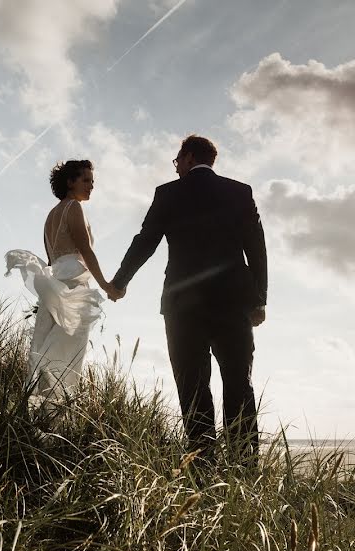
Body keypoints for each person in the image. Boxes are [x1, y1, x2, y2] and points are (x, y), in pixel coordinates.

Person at [108, 135, 267, 464]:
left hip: (182, 306)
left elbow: (145, 241)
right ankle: (244, 463)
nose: (176, 166)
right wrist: (259, 299)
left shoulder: (168, 194)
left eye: (177, 160)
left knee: (192, 385)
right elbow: (257, 249)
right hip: (233, 302)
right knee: (239, 381)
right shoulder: (240, 192)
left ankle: (202, 462)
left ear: (189, 157)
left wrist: (120, 282)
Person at [5, 160, 118, 407]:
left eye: (92, 181)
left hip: (53, 285)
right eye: (85, 180)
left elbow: (51, 259)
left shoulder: (50, 216)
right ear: (70, 182)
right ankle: (54, 416)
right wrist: (106, 285)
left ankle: (39, 410)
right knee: (67, 353)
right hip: (74, 285)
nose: (91, 186)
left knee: (46, 346)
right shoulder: (74, 208)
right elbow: (86, 251)